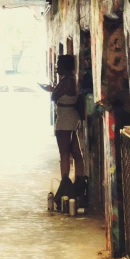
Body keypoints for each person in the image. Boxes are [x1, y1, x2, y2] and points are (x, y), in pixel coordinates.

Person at [40, 55, 87, 205]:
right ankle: (80, 183)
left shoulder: (67, 81)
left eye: (58, 65)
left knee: (65, 156)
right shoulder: (72, 81)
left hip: (64, 121)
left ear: (65, 66)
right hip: (72, 118)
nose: (56, 67)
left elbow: (55, 96)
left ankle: (65, 186)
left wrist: (51, 90)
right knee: (76, 154)